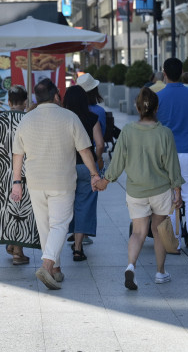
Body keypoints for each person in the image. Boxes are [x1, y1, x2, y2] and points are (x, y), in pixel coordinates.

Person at [10, 79, 99, 290]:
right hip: (62, 181)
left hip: (35, 181)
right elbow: (85, 150)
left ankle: (56, 270)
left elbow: (17, 154)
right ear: (57, 96)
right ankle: (47, 264)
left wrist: (16, 182)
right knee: (60, 224)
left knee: (44, 227)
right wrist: (94, 173)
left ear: (35, 98)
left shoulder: (27, 119)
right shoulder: (70, 117)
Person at [93, 88, 184, 290]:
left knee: (138, 232)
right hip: (160, 189)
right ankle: (160, 272)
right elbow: (172, 165)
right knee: (158, 231)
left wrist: (105, 181)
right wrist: (177, 190)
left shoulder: (127, 131)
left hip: (136, 191)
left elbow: (117, 162)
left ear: (137, 107)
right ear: (157, 108)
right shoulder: (165, 133)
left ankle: (131, 266)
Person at [0, 85, 40, 265]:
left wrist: (1, 149)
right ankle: (18, 252)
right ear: (25, 102)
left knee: (5, 207)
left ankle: (10, 243)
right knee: (21, 210)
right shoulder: (31, 119)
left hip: (2, 172)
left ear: (9, 102)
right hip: (25, 172)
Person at [157, 58, 188, 255]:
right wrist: (187, 133)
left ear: (164, 73)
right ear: (182, 72)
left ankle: (173, 240)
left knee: (168, 195)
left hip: (165, 153)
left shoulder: (158, 97)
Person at [62, 85, 104, 262]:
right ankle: (78, 248)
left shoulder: (63, 119)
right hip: (87, 167)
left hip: (66, 167)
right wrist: (98, 160)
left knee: (64, 205)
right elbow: (100, 144)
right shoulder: (92, 117)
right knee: (85, 205)